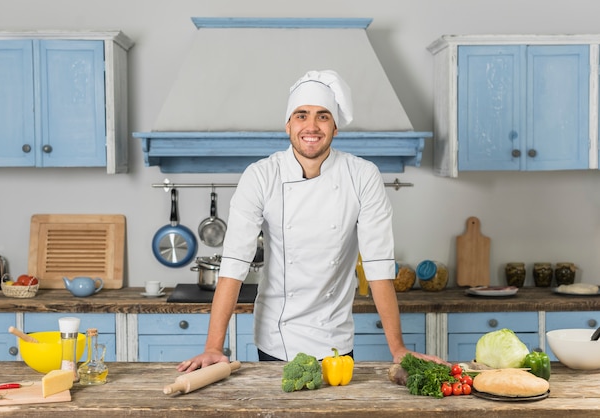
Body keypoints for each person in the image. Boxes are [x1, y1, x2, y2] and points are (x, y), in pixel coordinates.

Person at [177, 70, 444, 372]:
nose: (312, 126)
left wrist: (398, 349)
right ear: (288, 124)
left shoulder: (362, 176)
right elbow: (235, 263)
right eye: (301, 115)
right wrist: (213, 347)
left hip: (335, 337)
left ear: (335, 127)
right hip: (277, 337)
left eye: (323, 116)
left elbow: (378, 264)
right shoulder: (261, 176)